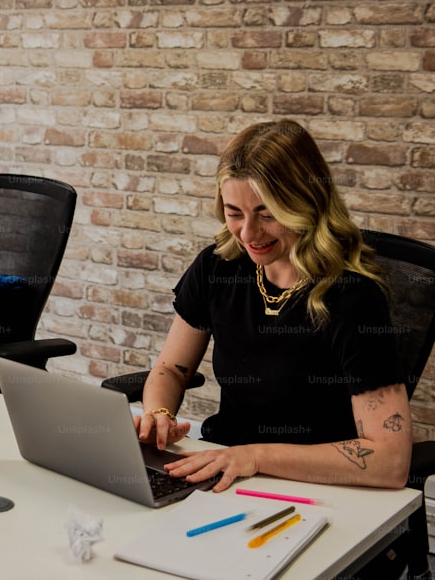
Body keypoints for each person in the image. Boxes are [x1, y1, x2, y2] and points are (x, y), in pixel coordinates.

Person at [136, 120, 411, 491]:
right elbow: (170, 368)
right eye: (234, 213)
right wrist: (158, 413)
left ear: (305, 205)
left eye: (267, 215)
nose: (248, 233)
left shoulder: (352, 297)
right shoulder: (218, 267)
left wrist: (255, 456)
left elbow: (389, 461)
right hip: (223, 470)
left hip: (315, 488)